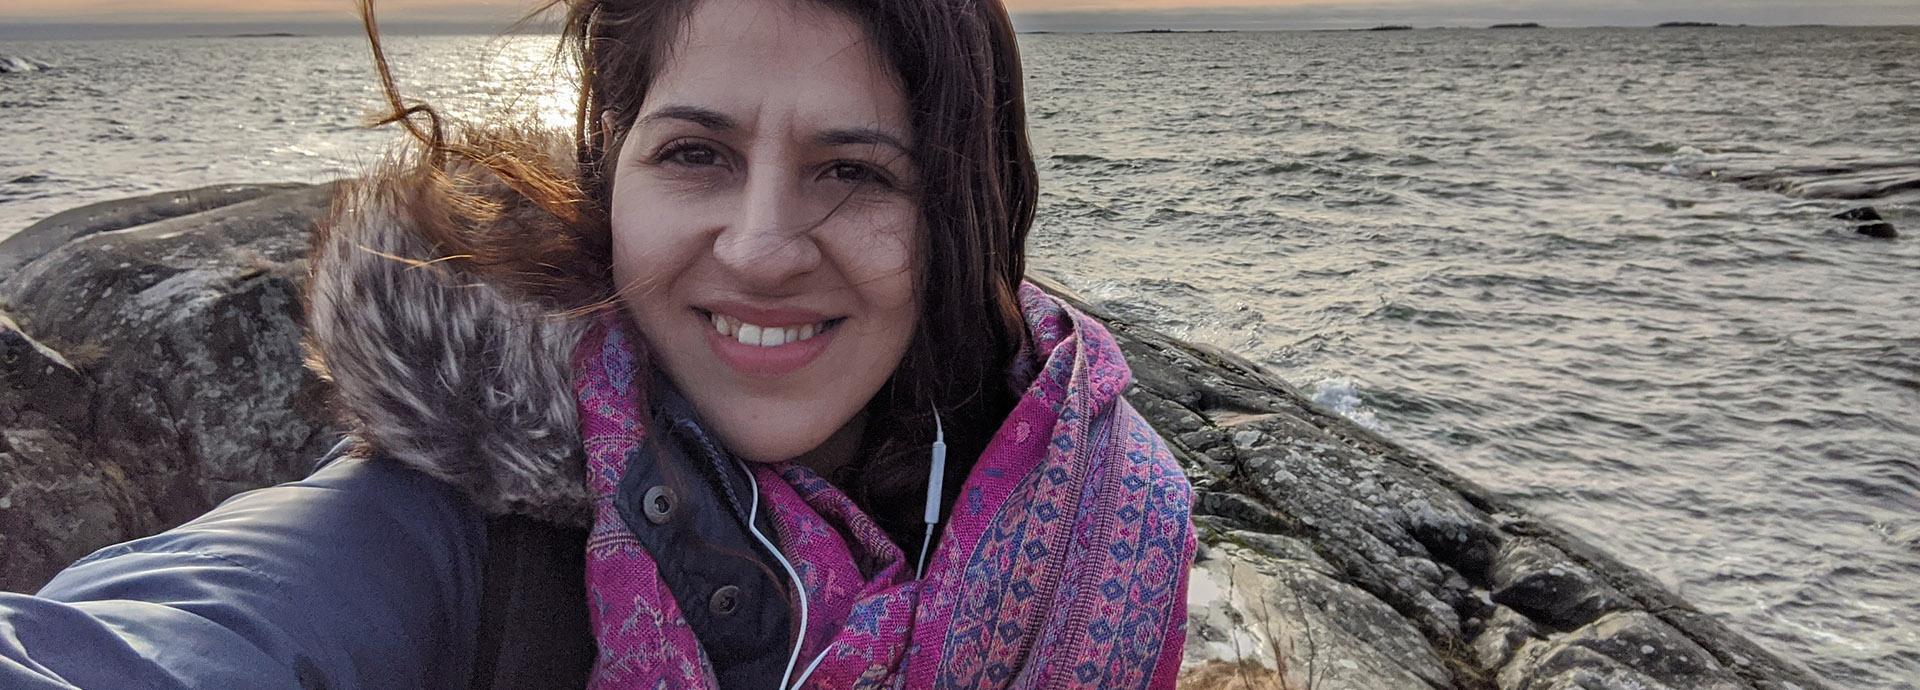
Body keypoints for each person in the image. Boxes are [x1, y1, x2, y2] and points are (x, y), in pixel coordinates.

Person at [0, 0, 1197, 687]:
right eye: (695, 155)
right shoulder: (447, 536)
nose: (765, 246)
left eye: (855, 170)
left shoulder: (1102, 511)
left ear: (964, 210)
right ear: (607, 179)